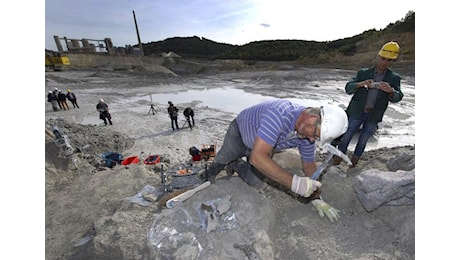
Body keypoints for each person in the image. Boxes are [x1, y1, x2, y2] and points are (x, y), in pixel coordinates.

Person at [205, 98, 348, 222]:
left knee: (256, 182)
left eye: (316, 138)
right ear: (311, 119)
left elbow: (309, 165)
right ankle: (208, 176)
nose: (312, 140)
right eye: (314, 135)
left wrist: (316, 197)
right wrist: (295, 183)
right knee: (223, 158)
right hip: (240, 133)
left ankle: (236, 164)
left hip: (263, 146)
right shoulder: (279, 113)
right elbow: (258, 158)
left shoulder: (306, 136)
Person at [332, 41, 404, 168]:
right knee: (346, 138)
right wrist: (361, 84)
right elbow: (348, 88)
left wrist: (391, 91)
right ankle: (336, 163)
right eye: (383, 59)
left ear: (392, 62)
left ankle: (353, 166)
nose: (385, 62)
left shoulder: (394, 78)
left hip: (374, 115)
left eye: (389, 60)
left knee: (363, 142)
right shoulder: (363, 73)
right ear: (378, 57)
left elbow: (398, 97)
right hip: (357, 112)